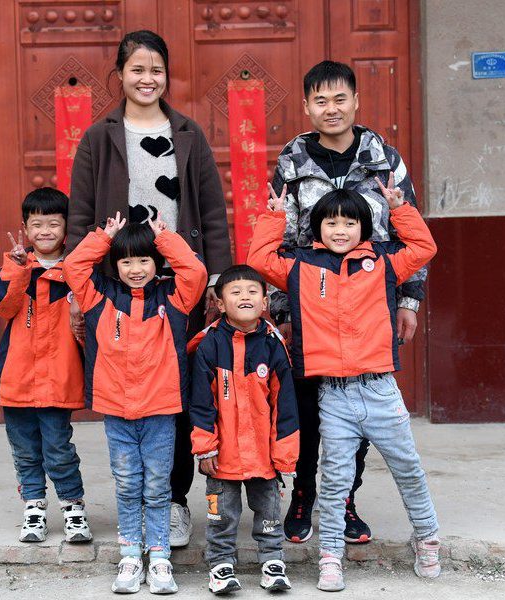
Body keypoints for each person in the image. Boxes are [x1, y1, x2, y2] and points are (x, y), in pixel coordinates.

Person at [66, 30, 232, 548]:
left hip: (177, 286)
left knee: (176, 394)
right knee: (126, 396)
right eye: (137, 69)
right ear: (119, 75)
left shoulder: (188, 132)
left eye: (156, 69)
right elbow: (79, 218)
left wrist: (219, 278)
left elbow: (212, 212)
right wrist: (79, 289)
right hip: (117, 288)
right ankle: (134, 506)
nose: (147, 79)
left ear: (167, 75)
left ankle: (174, 501)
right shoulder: (99, 137)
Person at [248, 179, 439, 591]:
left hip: (381, 390)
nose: (340, 230)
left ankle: (427, 538)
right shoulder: (300, 266)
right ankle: (331, 557)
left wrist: (400, 209)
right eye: (330, 222)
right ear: (316, 228)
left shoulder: (384, 262)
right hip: (333, 394)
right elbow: (259, 259)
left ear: (364, 228)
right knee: (334, 479)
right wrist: (274, 217)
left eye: (349, 222)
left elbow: (424, 249)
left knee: (408, 469)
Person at [269, 60, 428, 546]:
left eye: (340, 99)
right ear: (306, 107)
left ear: (356, 102)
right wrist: (282, 312)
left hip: (370, 302)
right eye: (320, 100)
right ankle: (303, 494)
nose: (331, 109)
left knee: (357, 407)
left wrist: (409, 300)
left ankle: (344, 499)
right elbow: (279, 236)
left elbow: (408, 226)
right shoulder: (292, 161)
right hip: (309, 302)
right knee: (311, 409)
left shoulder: (384, 158)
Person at [63, 212, 207, 594]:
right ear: (115, 264)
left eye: (143, 260)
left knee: (158, 486)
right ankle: (130, 554)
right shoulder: (99, 297)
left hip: (160, 411)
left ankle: (159, 558)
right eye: (126, 261)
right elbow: (74, 266)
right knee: (127, 485)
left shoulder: (172, 299)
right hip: (117, 411)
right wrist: (103, 237)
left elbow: (195, 273)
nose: (135, 268)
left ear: (156, 262)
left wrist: (166, 239)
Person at [0, 187, 91, 545]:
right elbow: (0, 305)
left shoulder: (76, 271)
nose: (45, 232)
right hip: (16, 380)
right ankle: (34, 507)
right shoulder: (17, 267)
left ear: (66, 228)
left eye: (53, 224)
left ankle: (73, 509)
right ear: (26, 230)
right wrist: (15, 269)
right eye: (37, 225)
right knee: (25, 450)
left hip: (58, 379)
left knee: (59, 449)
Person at [189, 265, 299, 594]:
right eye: (235, 292)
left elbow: (286, 406)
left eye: (252, 291)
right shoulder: (209, 345)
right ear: (220, 304)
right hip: (221, 454)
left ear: (265, 301)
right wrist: (204, 446)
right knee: (220, 512)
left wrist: (285, 453)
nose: (245, 297)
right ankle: (221, 564)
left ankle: (272, 559)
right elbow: (200, 403)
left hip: (264, 454)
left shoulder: (272, 345)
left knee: (268, 509)